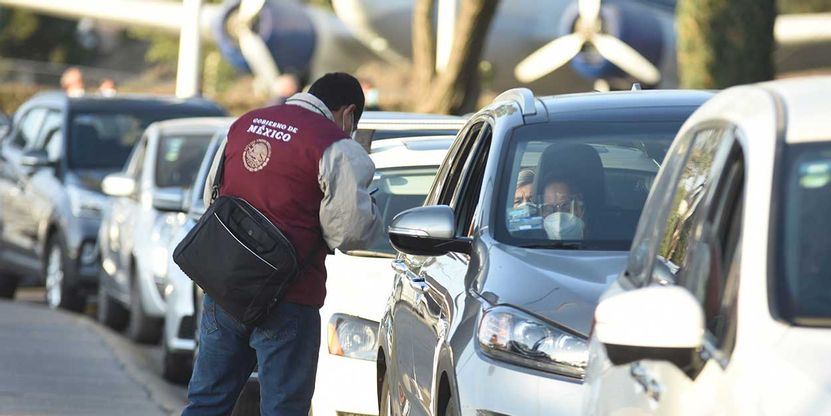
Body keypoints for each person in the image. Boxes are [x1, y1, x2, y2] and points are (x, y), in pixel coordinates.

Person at [183, 73, 383, 416]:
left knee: (206, 402)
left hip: (225, 288)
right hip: (290, 298)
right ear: (349, 113)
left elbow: (211, 197)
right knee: (283, 409)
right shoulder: (336, 145)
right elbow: (348, 232)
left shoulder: (245, 124)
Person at [540, 172, 585, 240]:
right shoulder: (532, 244)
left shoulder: (599, 243)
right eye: (549, 209)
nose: (559, 220)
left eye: (566, 207)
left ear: (580, 210)